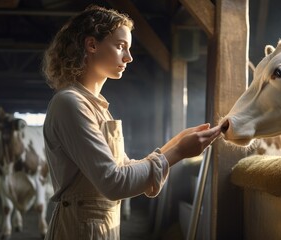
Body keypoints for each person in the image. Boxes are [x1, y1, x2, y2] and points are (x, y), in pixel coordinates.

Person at [41, 4, 220, 240]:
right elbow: (114, 183)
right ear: (92, 45)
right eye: (120, 46)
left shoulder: (97, 106)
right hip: (80, 229)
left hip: (97, 226)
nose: (129, 57)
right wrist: (177, 151)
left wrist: (175, 144)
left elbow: (123, 170)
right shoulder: (70, 104)